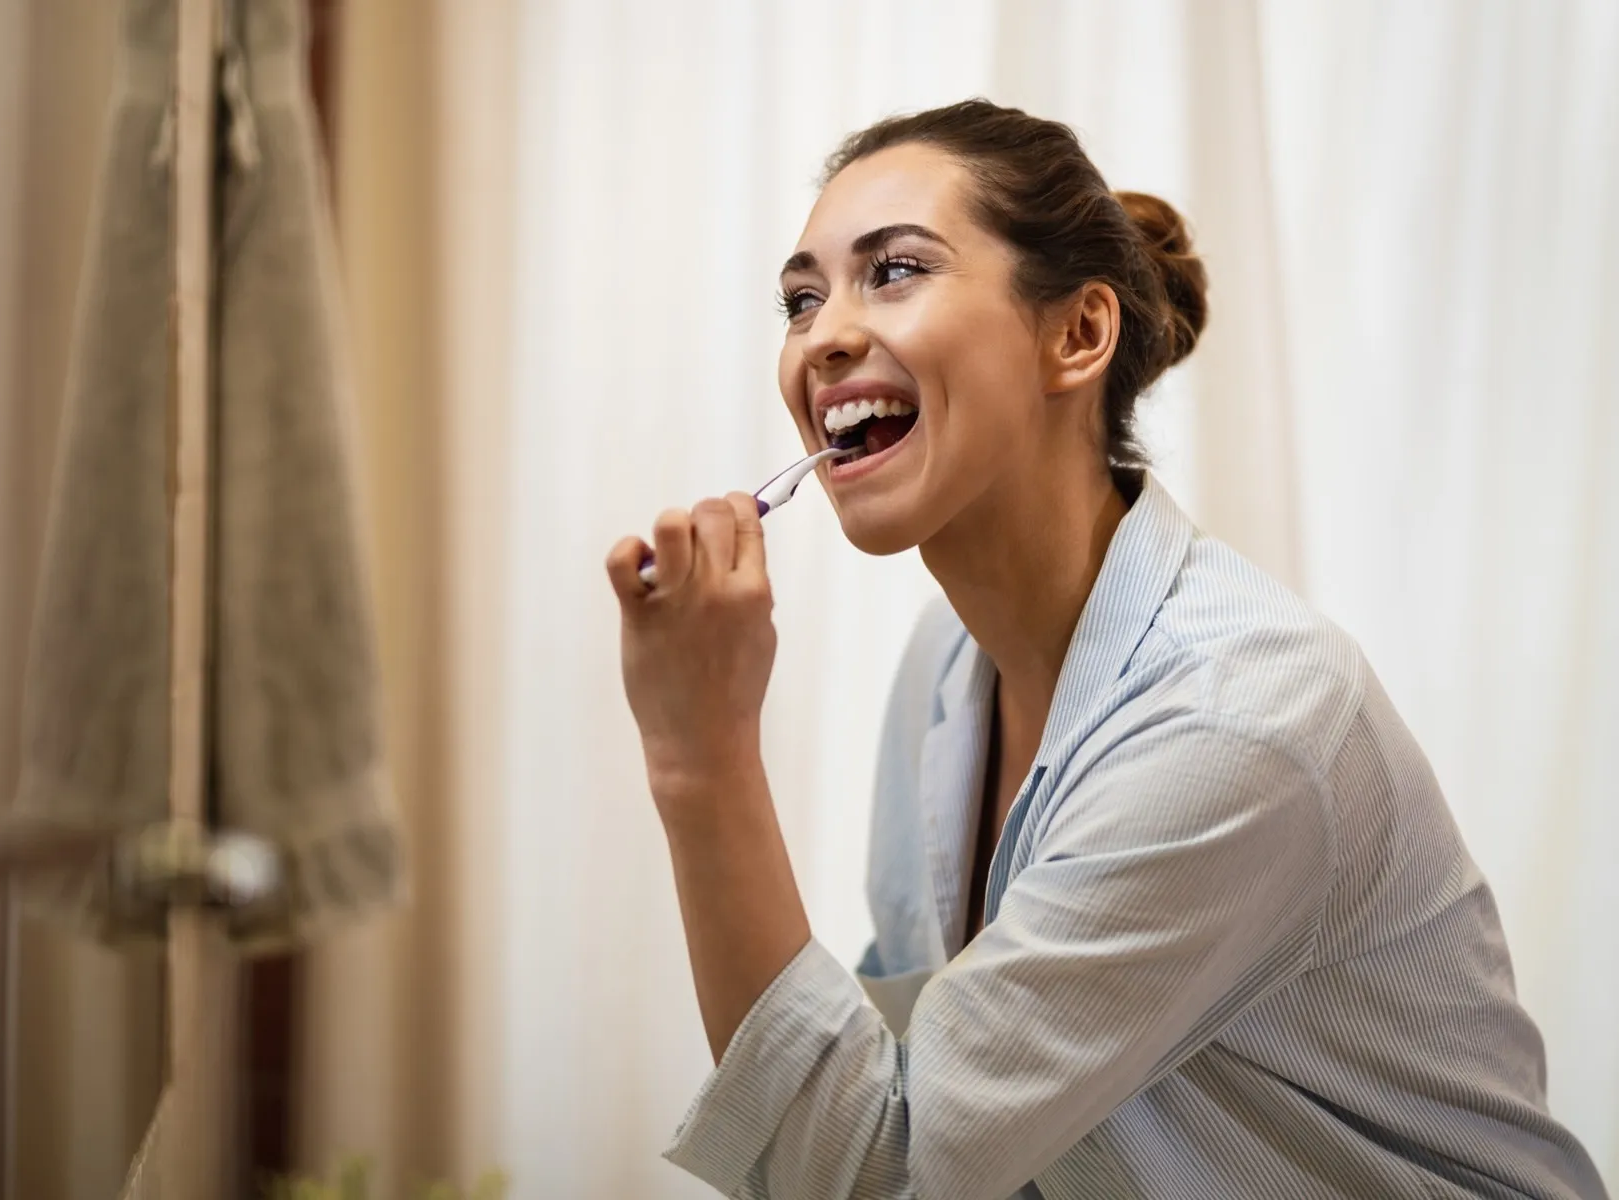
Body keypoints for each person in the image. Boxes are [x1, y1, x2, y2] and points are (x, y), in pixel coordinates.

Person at [604, 99, 1606, 1200]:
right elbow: (923, 1107)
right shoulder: (946, 672)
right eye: (802, 298)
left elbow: (876, 1173)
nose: (825, 334)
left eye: (893, 272)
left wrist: (701, 760)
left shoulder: (1239, 718)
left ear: (1077, 335)